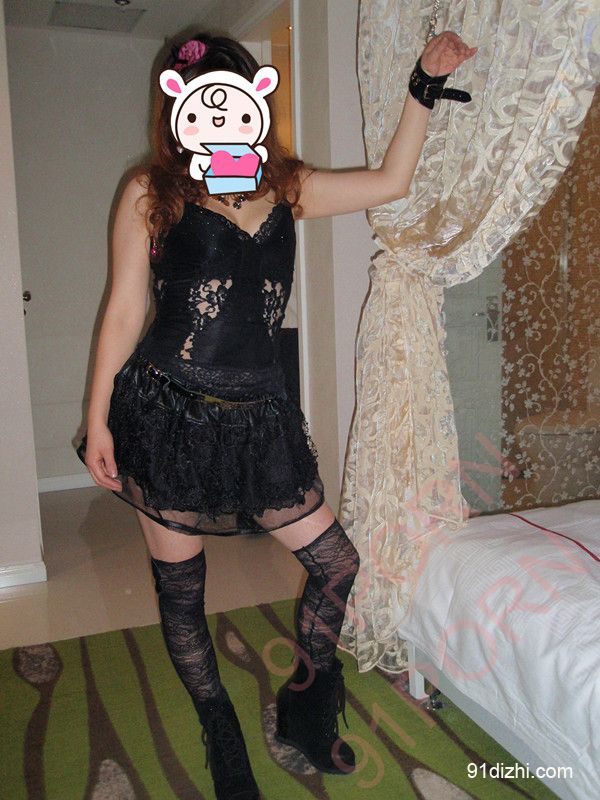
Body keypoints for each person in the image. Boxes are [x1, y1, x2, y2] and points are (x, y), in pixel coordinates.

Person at [77, 29, 477, 800]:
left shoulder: (286, 187)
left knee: (337, 564)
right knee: (182, 592)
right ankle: (222, 730)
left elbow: (392, 181)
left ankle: (304, 705)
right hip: (167, 414)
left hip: (260, 416)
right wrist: (98, 419)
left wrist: (423, 85)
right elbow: (124, 310)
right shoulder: (151, 192)